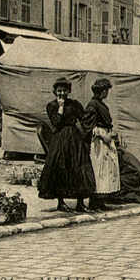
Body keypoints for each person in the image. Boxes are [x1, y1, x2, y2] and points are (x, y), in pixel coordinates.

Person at [38, 77, 95, 213]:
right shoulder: (52, 106)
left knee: (79, 167)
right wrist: (61, 107)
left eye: (64, 90)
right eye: (59, 91)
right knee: (61, 168)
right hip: (60, 139)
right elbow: (56, 123)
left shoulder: (75, 104)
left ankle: (80, 203)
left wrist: (91, 127)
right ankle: (61, 202)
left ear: (68, 91)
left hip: (74, 139)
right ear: (55, 92)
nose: (62, 93)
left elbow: (84, 118)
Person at [82, 78, 121, 211]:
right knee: (99, 170)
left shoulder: (101, 104)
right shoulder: (92, 105)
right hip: (99, 142)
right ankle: (94, 201)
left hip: (106, 140)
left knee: (106, 170)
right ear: (102, 91)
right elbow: (88, 125)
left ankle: (100, 201)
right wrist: (102, 134)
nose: (107, 93)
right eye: (106, 90)